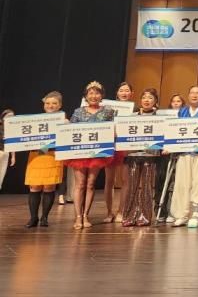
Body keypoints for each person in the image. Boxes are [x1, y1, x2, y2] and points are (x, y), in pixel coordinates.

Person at [68, 81, 115, 229]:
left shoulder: (108, 111)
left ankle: (86, 215)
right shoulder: (78, 112)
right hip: (80, 153)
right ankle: (78, 217)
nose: (94, 96)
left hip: (97, 153)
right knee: (80, 184)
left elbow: (112, 128)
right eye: (91, 93)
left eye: (97, 93)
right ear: (86, 96)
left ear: (101, 96)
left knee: (90, 183)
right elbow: (69, 131)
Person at [170, 86, 198, 228]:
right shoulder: (181, 112)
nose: (195, 95)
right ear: (188, 95)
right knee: (182, 184)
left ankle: (196, 213)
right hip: (184, 154)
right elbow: (174, 131)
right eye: (192, 93)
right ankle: (182, 215)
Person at [24, 92, 65, 228]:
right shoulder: (35, 121)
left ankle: (44, 218)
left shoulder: (63, 121)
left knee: (49, 187)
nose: (50, 106)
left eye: (54, 103)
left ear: (59, 105)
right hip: (36, 155)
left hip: (53, 156)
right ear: (44, 105)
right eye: (48, 103)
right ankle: (33, 218)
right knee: (34, 186)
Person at [121, 88, 160, 227]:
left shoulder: (159, 118)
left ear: (155, 101)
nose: (146, 100)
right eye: (144, 97)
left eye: (150, 98)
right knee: (132, 185)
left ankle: (145, 215)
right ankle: (129, 215)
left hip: (150, 155)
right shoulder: (132, 116)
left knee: (146, 186)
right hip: (133, 154)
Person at [103, 82, 133, 223]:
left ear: (131, 93)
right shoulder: (108, 108)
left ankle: (121, 211)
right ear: (117, 93)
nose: (124, 93)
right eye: (121, 90)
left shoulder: (135, 110)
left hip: (125, 146)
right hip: (110, 145)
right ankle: (109, 212)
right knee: (109, 180)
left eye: (127, 90)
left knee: (125, 180)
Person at [156, 94, 185, 223]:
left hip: (181, 153)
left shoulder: (186, 117)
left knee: (177, 183)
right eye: (174, 101)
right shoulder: (164, 117)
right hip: (166, 153)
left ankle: (175, 212)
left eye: (179, 101)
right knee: (163, 182)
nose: (176, 103)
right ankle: (162, 211)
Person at [0, 109, 17, 191]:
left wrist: (13, 156)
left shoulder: (12, 129)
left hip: (6, 153)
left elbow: (12, 144)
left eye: (12, 116)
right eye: (9, 116)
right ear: (3, 117)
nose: (11, 118)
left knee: (1, 174)